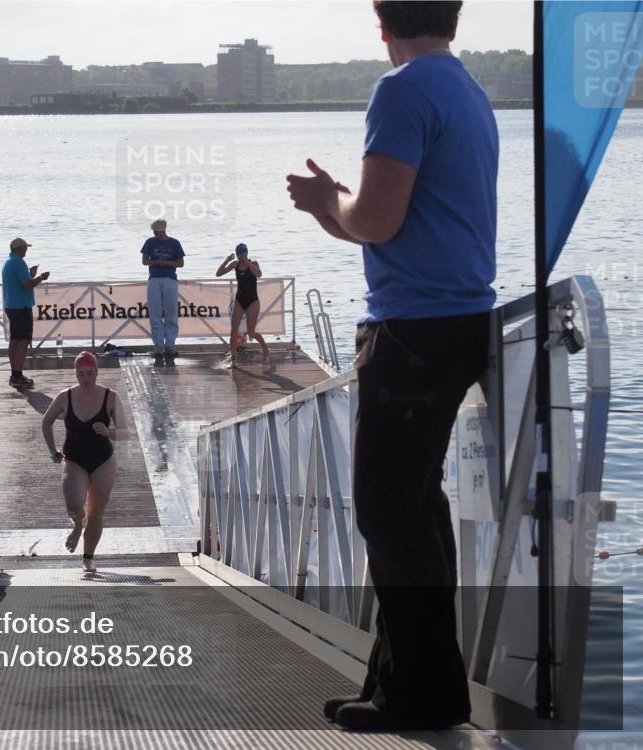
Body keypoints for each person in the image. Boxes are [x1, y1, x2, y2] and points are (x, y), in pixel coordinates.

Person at [286, 0, 496, 732]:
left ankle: (425, 695)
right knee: (415, 508)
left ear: (383, 24)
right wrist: (332, 210)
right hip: (457, 320)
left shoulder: (402, 90)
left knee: (388, 510)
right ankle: (401, 680)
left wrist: (326, 198)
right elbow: (405, 225)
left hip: (412, 330)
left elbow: (375, 222)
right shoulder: (467, 90)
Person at [41, 351, 126, 572]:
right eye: (80, 374)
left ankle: (87, 560)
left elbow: (126, 433)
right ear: (75, 373)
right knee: (73, 505)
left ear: (97, 372)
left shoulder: (110, 396)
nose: (85, 379)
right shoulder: (65, 396)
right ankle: (78, 525)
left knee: (96, 512)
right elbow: (46, 422)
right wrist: (53, 450)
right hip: (74, 458)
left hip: (103, 460)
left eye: (90, 373)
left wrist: (108, 431)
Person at [2, 237, 49, 389]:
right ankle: (17, 374)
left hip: (11, 305)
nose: (26, 250)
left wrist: (30, 273)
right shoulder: (18, 262)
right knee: (23, 340)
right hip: (21, 307)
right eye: (25, 248)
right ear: (18, 248)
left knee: (15, 339)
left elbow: (21, 280)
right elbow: (27, 284)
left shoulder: (9, 262)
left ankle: (14, 373)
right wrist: (41, 277)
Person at [215, 242, 270, 364]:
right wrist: (227, 260)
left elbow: (259, 274)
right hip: (240, 300)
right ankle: (233, 359)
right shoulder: (235, 264)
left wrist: (248, 263)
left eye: (243, 254)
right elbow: (218, 274)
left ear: (247, 253)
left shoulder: (253, 263)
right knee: (233, 331)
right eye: (239, 255)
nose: (241, 257)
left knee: (251, 332)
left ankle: (265, 347)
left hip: (253, 301)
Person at [140, 219, 184, 357]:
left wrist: (167, 263)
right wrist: (156, 262)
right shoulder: (150, 242)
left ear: (162, 230)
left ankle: (170, 345)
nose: (154, 233)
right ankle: (158, 346)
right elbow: (144, 261)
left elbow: (180, 263)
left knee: (171, 312)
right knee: (155, 313)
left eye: (156, 231)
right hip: (154, 278)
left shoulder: (174, 243)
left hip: (170, 278)